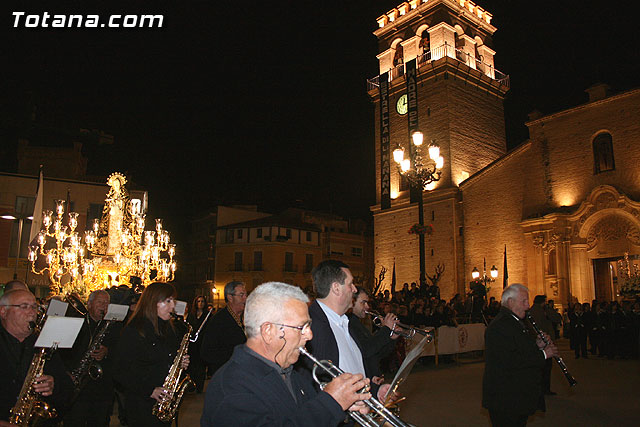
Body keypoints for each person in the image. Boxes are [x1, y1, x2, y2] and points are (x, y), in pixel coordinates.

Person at [201, 281, 371, 427]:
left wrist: (345, 404)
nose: (310, 335)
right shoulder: (233, 388)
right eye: (301, 327)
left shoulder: (291, 373)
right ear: (268, 331)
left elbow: (302, 416)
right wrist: (331, 403)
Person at [301, 260, 392, 402]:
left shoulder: (345, 321)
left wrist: (375, 390)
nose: (354, 289)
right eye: (350, 284)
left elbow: (351, 370)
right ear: (336, 288)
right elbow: (314, 384)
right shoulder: (312, 326)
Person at [113, 282, 190, 426]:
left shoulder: (169, 329)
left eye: (173, 300)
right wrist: (149, 390)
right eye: (168, 301)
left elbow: (165, 359)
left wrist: (180, 362)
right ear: (153, 302)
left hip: (163, 402)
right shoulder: (134, 330)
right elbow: (120, 371)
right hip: (141, 403)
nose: (172, 306)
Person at [482, 284, 558, 426]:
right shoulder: (500, 326)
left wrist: (537, 345)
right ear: (510, 302)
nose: (528, 306)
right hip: (505, 399)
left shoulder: (514, 322)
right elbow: (509, 360)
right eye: (524, 301)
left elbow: (518, 347)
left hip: (515, 397)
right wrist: (542, 355)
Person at [0, 289, 72, 425]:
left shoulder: (43, 343)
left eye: (34, 306)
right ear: (3, 312)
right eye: (24, 306)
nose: (32, 312)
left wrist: (54, 385)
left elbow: (67, 387)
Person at [62, 290, 116, 427]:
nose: (104, 306)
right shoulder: (76, 322)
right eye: (100, 302)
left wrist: (107, 351)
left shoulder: (113, 326)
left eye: (106, 303)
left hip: (102, 391)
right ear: (89, 304)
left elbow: (121, 353)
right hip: (77, 388)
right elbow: (63, 354)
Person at [348, 287, 398, 384]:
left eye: (367, 303)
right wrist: (386, 329)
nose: (367, 306)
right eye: (363, 302)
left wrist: (391, 338)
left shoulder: (357, 323)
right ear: (352, 302)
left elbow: (377, 353)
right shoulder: (350, 324)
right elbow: (367, 349)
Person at [199, 281, 247, 375]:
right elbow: (207, 352)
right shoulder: (219, 320)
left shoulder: (246, 317)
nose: (245, 298)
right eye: (241, 295)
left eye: (245, 294)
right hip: (226, 374)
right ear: (230, 297)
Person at [529, 295, 555, 395]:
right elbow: (556, 318)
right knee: (546, 368)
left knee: (539, 368)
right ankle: (545, 389)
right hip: (543, 341)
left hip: (536, 341)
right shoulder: (543, 311)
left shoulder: (531, 311)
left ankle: (540, 388)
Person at [186, 296, 209, 393]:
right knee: (192, 365)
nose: (200, 303)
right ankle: (192, 386)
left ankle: (199, 387)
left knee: (200, 366)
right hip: (192, 344)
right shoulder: (191, 315)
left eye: (202, 301)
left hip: (202, 343)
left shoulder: (208, 315)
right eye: (198, 301)